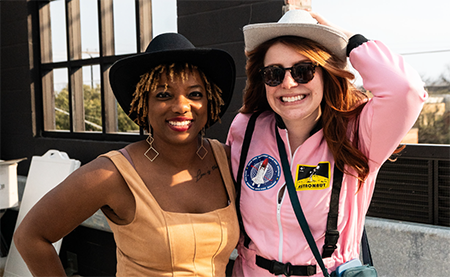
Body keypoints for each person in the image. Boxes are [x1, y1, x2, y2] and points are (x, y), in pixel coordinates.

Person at [13, 33, 239, 276]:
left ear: (209, 101)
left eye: (195, 94)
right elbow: (31, 237)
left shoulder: (226, 159)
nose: (181, 106)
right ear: (144, 104)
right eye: (163, 94)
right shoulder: (113, 173)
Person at [226, 9, 427, 277]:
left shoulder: (358, 134)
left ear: (325, 74)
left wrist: (350, 42)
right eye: (274, 74)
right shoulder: (245, 128)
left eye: (303, 71)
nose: (288, 83)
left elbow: (406, 90)